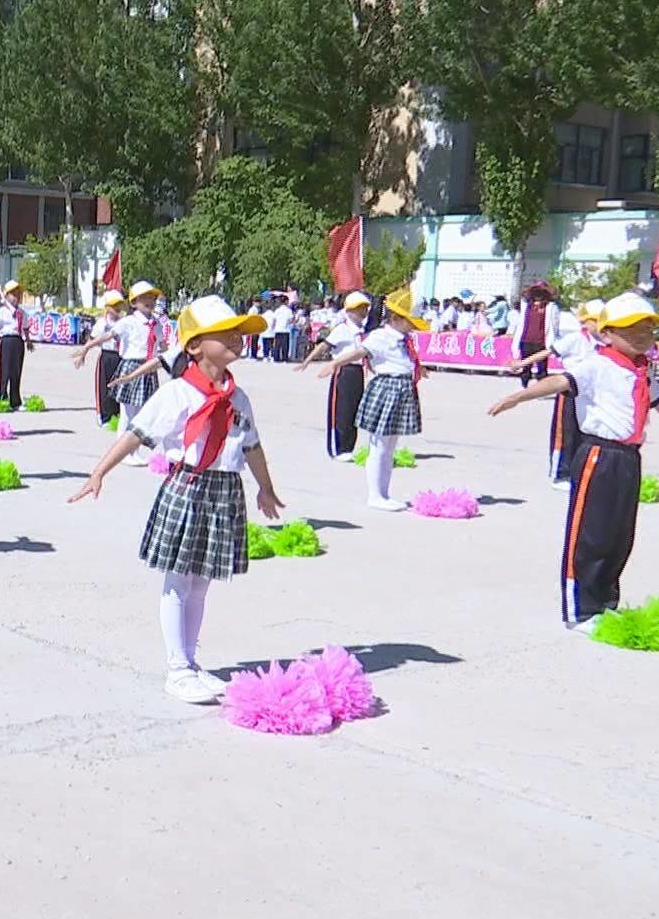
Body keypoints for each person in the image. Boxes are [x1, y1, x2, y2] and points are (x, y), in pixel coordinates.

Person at [68, 296, 283, 705]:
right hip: (188, 486)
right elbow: (136, 433)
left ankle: (191, 661)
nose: (238, 338)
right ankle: (176, 668)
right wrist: (98, 473)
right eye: (227, 333)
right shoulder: (178, 395)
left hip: (223, 491)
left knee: (201, 583)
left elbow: (251, 444)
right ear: (195, 346)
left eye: (239, 332)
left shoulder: (239, 398)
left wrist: (265, 487)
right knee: (177, 581)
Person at [486, 293, 659, 632]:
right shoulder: (597, 364)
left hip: (629, 458)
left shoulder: (640, 370)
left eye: (648, 329)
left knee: (619, 535)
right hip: (599, 454)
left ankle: (605, 603)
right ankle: (580, 610)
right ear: (607, 333)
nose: (642, 336)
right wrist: (518, 396)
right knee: (590, 533)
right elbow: (560, 381)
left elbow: (658, 400)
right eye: (632, 330)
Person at [320, 288, 430, 511]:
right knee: (379, 445)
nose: (412, 326)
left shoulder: (403, 339)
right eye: (410, 321)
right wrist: (335, 363)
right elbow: (360, 352)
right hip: (386, 388)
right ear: (396, 318)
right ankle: (375, 494)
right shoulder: (381, 336)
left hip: (402, 389)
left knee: (390, 446)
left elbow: (406, 361)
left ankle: (384, 493)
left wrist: (420, 369)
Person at [509, 299, 605, 489]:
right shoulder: (575, 339)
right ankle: (559, 474)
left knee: (585, 432)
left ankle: (580, 470)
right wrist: (522, 363)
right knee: (565, 433)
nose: (602, 326)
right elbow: (547, 352)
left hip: (589, 393)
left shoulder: (604, 344)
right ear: (585, 322)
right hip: (568, 389)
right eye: (598, 321)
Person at [296, 290, 373, 461]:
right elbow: (324, 346)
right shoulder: (342, 329)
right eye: (361, 308)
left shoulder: (362, 331)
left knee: (355, 411)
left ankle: (349, 447)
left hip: (358, 372)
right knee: (341, 410)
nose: (364, 312)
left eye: (365, 308)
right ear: (350, 311)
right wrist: (307, 361)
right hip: (343, 371)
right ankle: (338, 448)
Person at [107, 282, 167, 463]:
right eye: (144, 298)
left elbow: (163, 346)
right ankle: (122, 451)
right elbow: (108, 336)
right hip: (131, 366)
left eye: (152, 297)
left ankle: (133, 451)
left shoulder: (156, 324)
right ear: (134, 302)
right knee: (128, 413)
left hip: (148, 368)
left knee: (143, 413)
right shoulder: (128, 322)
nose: (149, 301)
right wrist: (86, 348)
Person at [72, 290, 127, 429]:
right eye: (114, 305)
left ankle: (118, 414)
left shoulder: (125, 322)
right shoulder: (102, 323)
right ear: (107, 307)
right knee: (104, 387)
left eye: (120, 304)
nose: (117, 308)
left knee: (119, 387)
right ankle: (103, 416)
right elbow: (92, 340)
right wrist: (82, 354)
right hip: (106, 356)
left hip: (121, 357)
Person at [0, 280, 34, 410]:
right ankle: (1, 397)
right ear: (7, 296)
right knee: (4, 371)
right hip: (6, 341)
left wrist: (28, 341)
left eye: (18, 294)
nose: (17, 297)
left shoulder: (22, 313)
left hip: (18, 342)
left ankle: (15, 401)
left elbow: (25, 328)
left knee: (16, 371)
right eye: (14, 294)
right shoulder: (2, 312)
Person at [508, 281, 560, 388]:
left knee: (542, 367)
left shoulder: (550, 307)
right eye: (536, 294)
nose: (538, 297)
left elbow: (554, 325)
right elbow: (520, 323)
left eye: (541, 294)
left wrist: (553, 341)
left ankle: (541, 388)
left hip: (541, 342)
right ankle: (524, 385)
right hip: (526, 340)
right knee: (526, 365)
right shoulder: (526, 306)